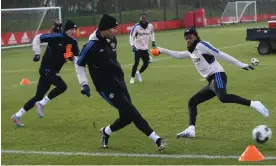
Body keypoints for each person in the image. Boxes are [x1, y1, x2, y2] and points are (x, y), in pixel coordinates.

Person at [151, 28, 269, 138]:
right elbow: (179, 55)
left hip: (217, 75)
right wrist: (161, 50)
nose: (188, 40)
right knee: (192, 101)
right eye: (186, 38)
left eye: (190, 37)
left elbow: (220, 54)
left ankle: (254, 103)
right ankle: (191, 130)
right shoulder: (191, 51)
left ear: (196, 37)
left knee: (223, 97)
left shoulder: (201, 45)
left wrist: (240, 64)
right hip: (211, 81)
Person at [75, 14, 166, 151]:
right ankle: (157, 139)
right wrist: (84, 83)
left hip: (119, 81)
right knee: (132, 111)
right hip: (106, 87)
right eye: (113, 28)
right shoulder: (91, 46)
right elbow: (79, 64)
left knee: (127, 117)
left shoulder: (112, 40)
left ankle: (105, 132)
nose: (115, 31)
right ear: (104, 29)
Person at [11, 20, 79, 127]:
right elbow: (38, 37)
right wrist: (37, 52)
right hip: (46, 70)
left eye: (75, 29)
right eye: (71, 29)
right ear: (66, 30)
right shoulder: (57, 36)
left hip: (52, 72)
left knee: (38, 96)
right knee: (62, 86)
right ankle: (41, 104)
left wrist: (71, 57)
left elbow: (76, 58)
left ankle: (17, 116)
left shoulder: (73, 42)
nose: (73, 31)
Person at [129, 14, 156, 84]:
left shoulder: (150, 25)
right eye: (142, 19)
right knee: (136, 63)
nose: (143, 20)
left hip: (145, 48)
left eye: (145, 19)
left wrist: (153, 41)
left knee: (146, 64)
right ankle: (132, 78)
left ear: (146, 19)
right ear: (140, 19)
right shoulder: (136, 27)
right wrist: (132, 46)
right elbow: (131, 37)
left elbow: (152, 33)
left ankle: (138, 73)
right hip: (137, 48)